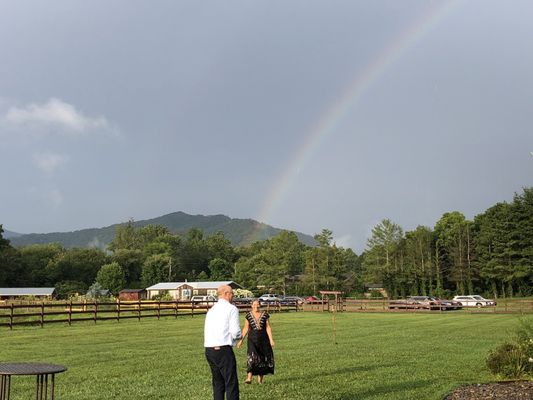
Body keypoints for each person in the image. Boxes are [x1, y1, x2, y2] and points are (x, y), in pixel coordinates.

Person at [204, 285, 242, 400]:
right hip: (223, 348)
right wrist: (237, 339)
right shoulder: (231, 309)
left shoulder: (211, 310)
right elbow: (235, 332)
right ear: (226, 293)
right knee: (231, 382)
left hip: (209, 349)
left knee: (217, 382)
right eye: (232, 294)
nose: (233, 296)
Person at [237, 299, 275, 384]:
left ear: (260, 305)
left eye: (257, 304)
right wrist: (241, 340)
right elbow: (246, 328)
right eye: (254, 304)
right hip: (252, 339)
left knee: (262, 358)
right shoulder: (248, 315)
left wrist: (271, 340)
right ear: (251, 305)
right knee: (252, 357)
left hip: (264, 339)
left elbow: (268, 327)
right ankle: (249, 378)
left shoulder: (265, 315)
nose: (256, 306)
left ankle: (260, 380)